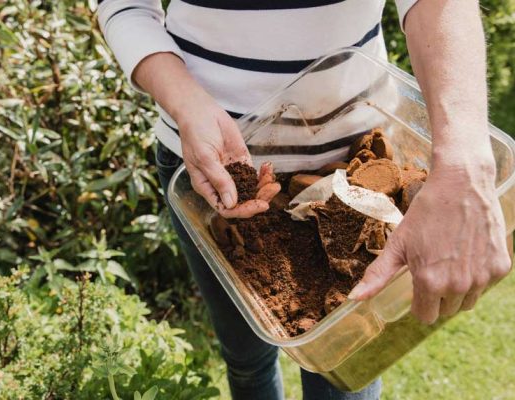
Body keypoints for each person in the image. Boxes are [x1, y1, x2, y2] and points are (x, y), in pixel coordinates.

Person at [97, 0, 512, 398]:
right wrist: (186, 103)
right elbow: (124, 4)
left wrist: (463, 166)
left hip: (360, 171)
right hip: (212, 176)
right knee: (247, 358)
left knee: (347, 372)